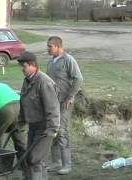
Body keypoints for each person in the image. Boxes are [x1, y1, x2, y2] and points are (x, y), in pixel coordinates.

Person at [18, 51, 60, 180]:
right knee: (33, 157)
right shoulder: (27, 81)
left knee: (35, 159)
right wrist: (20, 122)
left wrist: (52, 129)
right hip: (33, 126)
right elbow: (24, 102)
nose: (22, 69)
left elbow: (52, 107)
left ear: (33, 65)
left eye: (24, 66)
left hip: (45, 127)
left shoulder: (44, 82)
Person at [46, 36, 83, 175]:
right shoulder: (51, 62)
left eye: (50, 46)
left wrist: (70, 96)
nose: (48, 48)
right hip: (52, 103)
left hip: (65, 103)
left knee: (62, 131)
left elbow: (79, 78)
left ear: (58, 46)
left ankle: (67, 164)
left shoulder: (68, 60)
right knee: (53, 130)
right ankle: (56, 162)